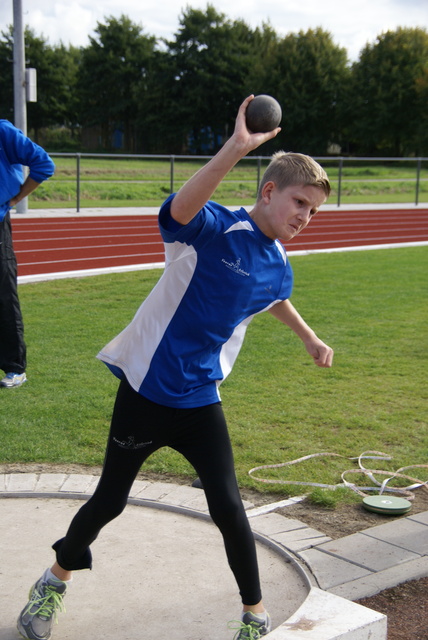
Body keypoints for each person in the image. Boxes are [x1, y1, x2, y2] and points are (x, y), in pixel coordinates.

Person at [17, 95, 333, 640]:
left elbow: (273, 297)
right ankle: (53, 580)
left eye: (314, 211)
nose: (305, 217)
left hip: (200, 399)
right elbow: (176, 211)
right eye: (300, 203)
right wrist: (235, 148)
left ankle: (254, 618)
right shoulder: (212, 229)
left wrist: (309, 337)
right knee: (109, 501)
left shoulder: (279, 264)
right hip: (146, 391)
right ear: (269, 191)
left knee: (230, 508)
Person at [0, 119, 55, 388]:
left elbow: (44, 164)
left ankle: (15, 368)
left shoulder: (2, 131)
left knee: (4, 295)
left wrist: (16, 198)